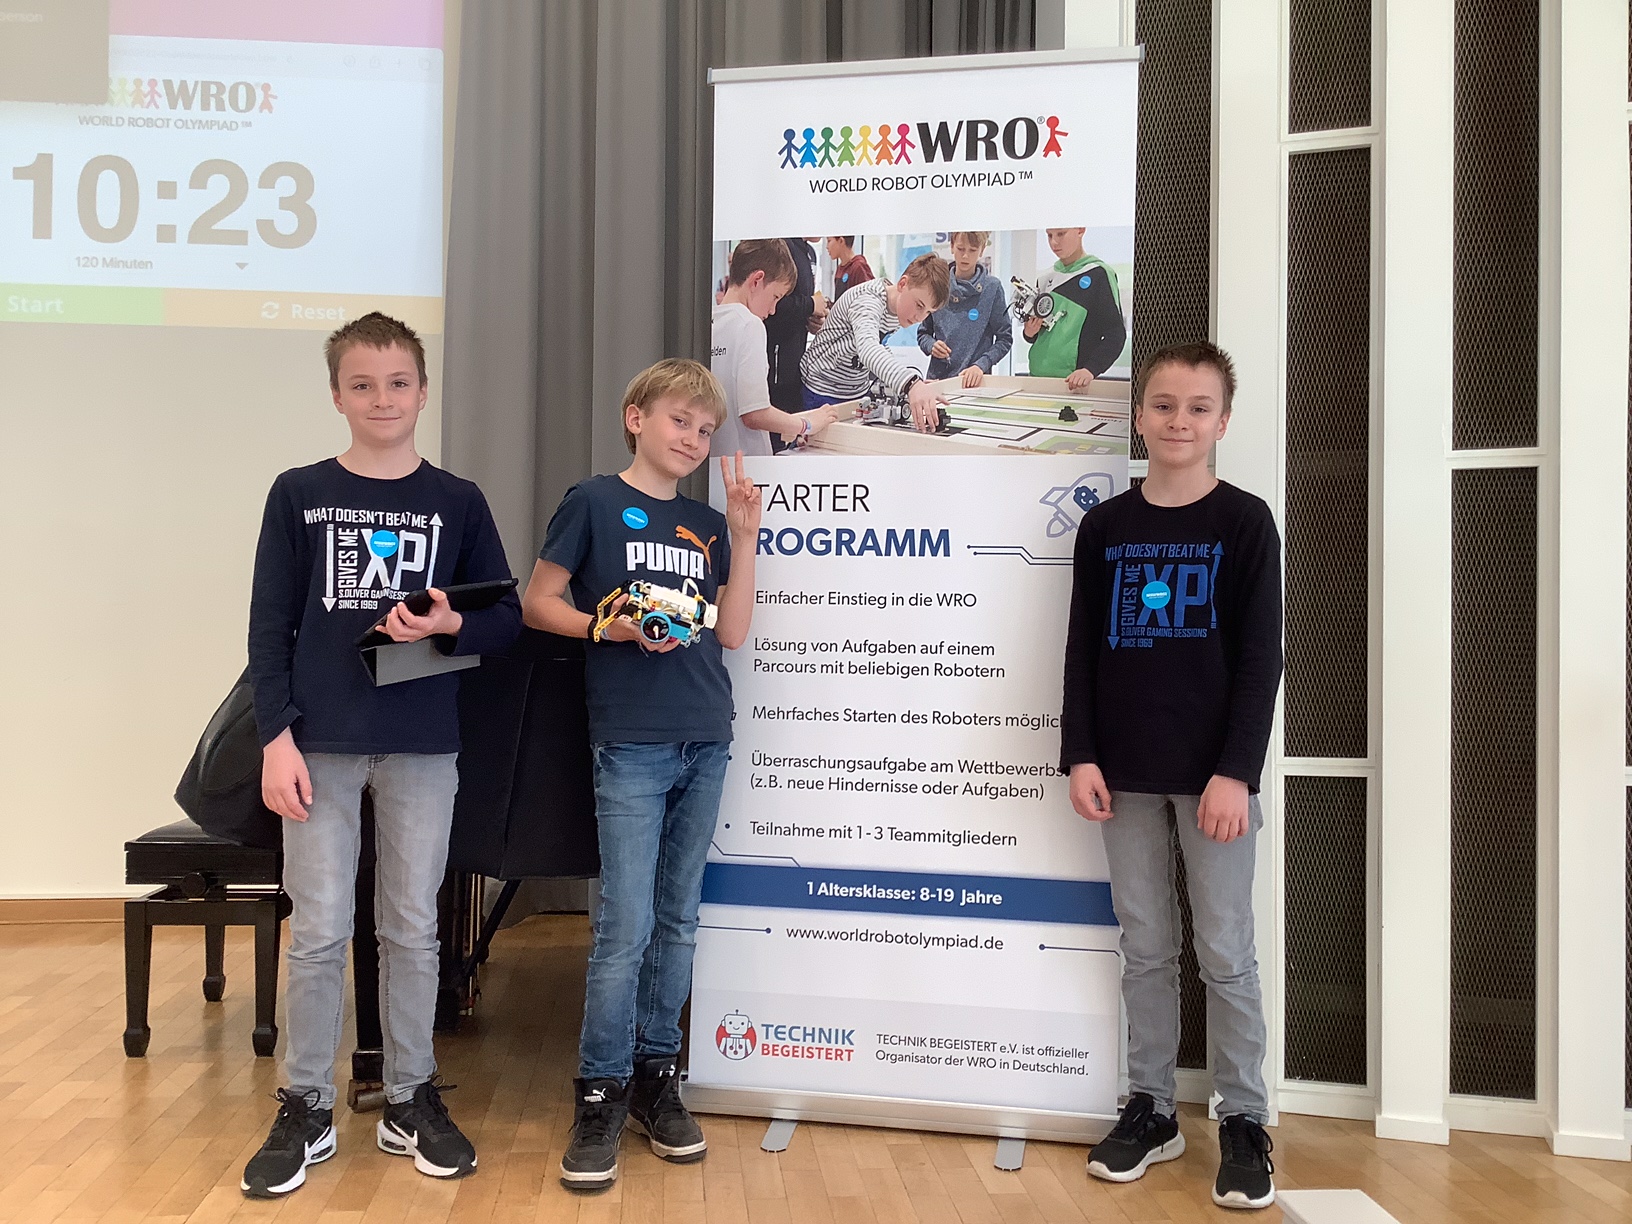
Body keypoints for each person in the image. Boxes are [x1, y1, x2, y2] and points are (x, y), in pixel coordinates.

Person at [243, 313, 521, 1198]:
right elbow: (268, 628)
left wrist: (449, 621)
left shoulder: (458, 500)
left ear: (423, 391)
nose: (382, 399)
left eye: (398, 383)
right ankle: (305, 1106)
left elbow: (506, 621)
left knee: (411, 928)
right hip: (318, 744)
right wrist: (274, 738)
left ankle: (410, 1096)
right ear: (337, 396)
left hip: (423, 744)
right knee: (319, 931)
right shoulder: (298, 492)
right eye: (361, 384)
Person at [521, 359, 763, 1190]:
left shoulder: (705, 522)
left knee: (678, 921)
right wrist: (608, 629)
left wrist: (744, 537)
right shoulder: (592, 502)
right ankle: (600, 1091)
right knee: (624, 929)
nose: (692, 439)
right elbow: (537, 601)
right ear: (636, 417)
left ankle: (657, 1078)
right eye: (678, 421)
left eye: (704, 430)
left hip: (706, 736)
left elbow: (731, 633)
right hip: (629, 741)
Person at [1060, 341, 1281, 1211]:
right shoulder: (1105, 528)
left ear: (1222, 423)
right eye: (1163, 405)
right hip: (1123, 773)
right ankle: (1151, 1107)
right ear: (1138, 416)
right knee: (1146, 946)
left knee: (1225, 950)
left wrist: (1237, 772)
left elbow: (1260, 659)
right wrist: (1081, 752)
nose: (1178, 421)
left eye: (1197, 408)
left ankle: (1245, 1118)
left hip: (1214, 780)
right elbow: (1082, 649)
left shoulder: (1246, 522)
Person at [799, 252, 951, 432]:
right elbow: (868, 349)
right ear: (903, 284)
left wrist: (910, 382)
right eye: (919, 305)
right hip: (821, 388)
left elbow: (879, 346)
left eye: (928, 312)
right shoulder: (868, 300)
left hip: (854, 392)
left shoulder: (897, 309)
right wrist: (910, 384)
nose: (920, 317)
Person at [715, 239, 837, 455]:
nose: (772, 310)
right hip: (748, 461)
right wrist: (807, 423)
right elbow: (754, 414)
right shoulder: (750, 325)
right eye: (775, 297)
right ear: (757, 280)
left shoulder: (711, 321)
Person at [1024, 226, 1127, 390]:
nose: (1054, 242)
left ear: (1080, 230)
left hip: (1073, 383)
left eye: (1061, 234)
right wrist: (1029, 333)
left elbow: (1115, 334)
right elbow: (1038, 335)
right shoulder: (1045, 277)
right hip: (1036, 378)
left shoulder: (1099, 274)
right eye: (1049, 235)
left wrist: (1090, 370)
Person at [916, 231, 1013, 387]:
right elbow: (923, 333)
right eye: (961, 249)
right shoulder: (938, 285)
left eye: (972, 250)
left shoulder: (992, 288)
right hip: (937, 381)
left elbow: (1005, 339)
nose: (965, 256)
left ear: (982, 250)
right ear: (952, 246)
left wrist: (981, 365)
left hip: (974, 384)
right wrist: (931, 345)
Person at [765, 237, 819, 415]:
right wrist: (811, 304)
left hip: (797, 359)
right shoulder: (783, 246)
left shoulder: (810, 253)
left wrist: (811, 319)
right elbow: (774, 305)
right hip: (776, 362)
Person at [826, 235, 874, 299]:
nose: (827, 247)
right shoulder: (840, 268)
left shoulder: (859, 266)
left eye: (829, 241)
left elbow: (869, 298)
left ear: (841, 241)